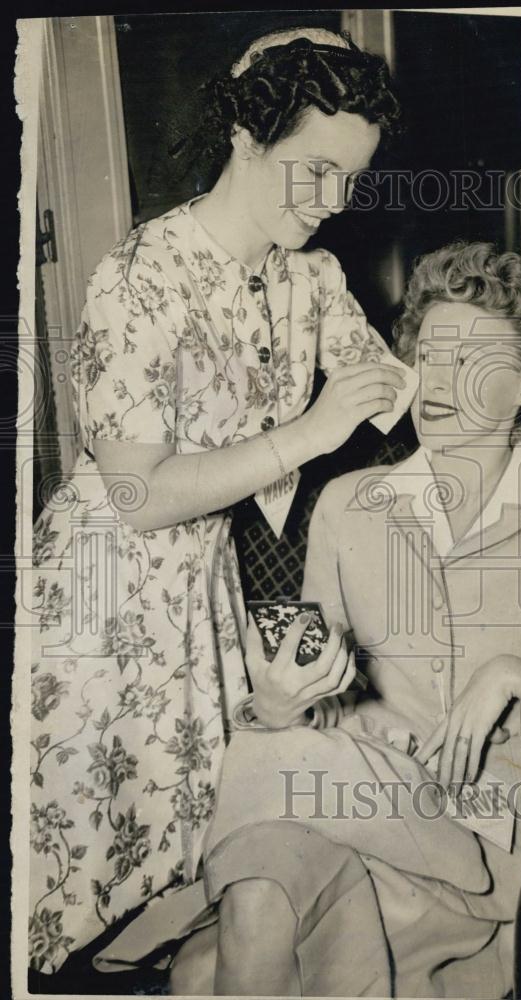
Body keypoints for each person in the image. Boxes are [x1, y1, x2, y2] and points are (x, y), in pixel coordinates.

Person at [99, 243, 521, 997]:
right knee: (240, 930)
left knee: (240, 963)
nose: (439, 381)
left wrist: (517, 682)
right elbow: (319, 698)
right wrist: (279, 702)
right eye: (429, 355)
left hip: (484, 842)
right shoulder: (350, 505)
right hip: (349, 803)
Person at [28, 26, 420, 975]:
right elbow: (133, 494)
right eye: (313, 170)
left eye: (351, 179)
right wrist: (309, 433)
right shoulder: (139, 274)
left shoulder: (313, 277)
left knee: (162, 905)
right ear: (248, 137)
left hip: (201, 602)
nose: (335, 203)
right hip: (96, 605)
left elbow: (404, 388)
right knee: (63, 900)